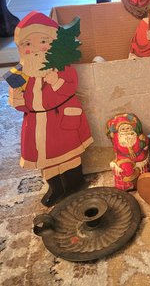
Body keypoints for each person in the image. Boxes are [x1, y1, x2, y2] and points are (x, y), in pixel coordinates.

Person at [8, 11, 93, 207]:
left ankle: (74, 184)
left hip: (61, 118)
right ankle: (56, 188)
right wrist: (17, 94)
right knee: (46, 160)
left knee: (70, 156)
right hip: (37, 123)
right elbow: (21, 105)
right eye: (28, 44)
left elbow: (70, 88)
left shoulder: (62, 67)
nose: (35, 48)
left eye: (43, 41)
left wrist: (56, 82)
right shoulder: (21, 75)